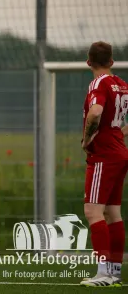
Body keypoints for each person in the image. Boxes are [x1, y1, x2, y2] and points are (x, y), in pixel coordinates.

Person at [79, 41, 128, 287]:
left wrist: (88, 139)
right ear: (111, 61)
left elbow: (96, 112)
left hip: (104, 156)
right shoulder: (121, 85)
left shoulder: (98, 83)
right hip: (120, 153)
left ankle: (103, 273)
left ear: (89, 62)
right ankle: (115, 272)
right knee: (112, 212)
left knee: (93, 211)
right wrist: (119, 133)